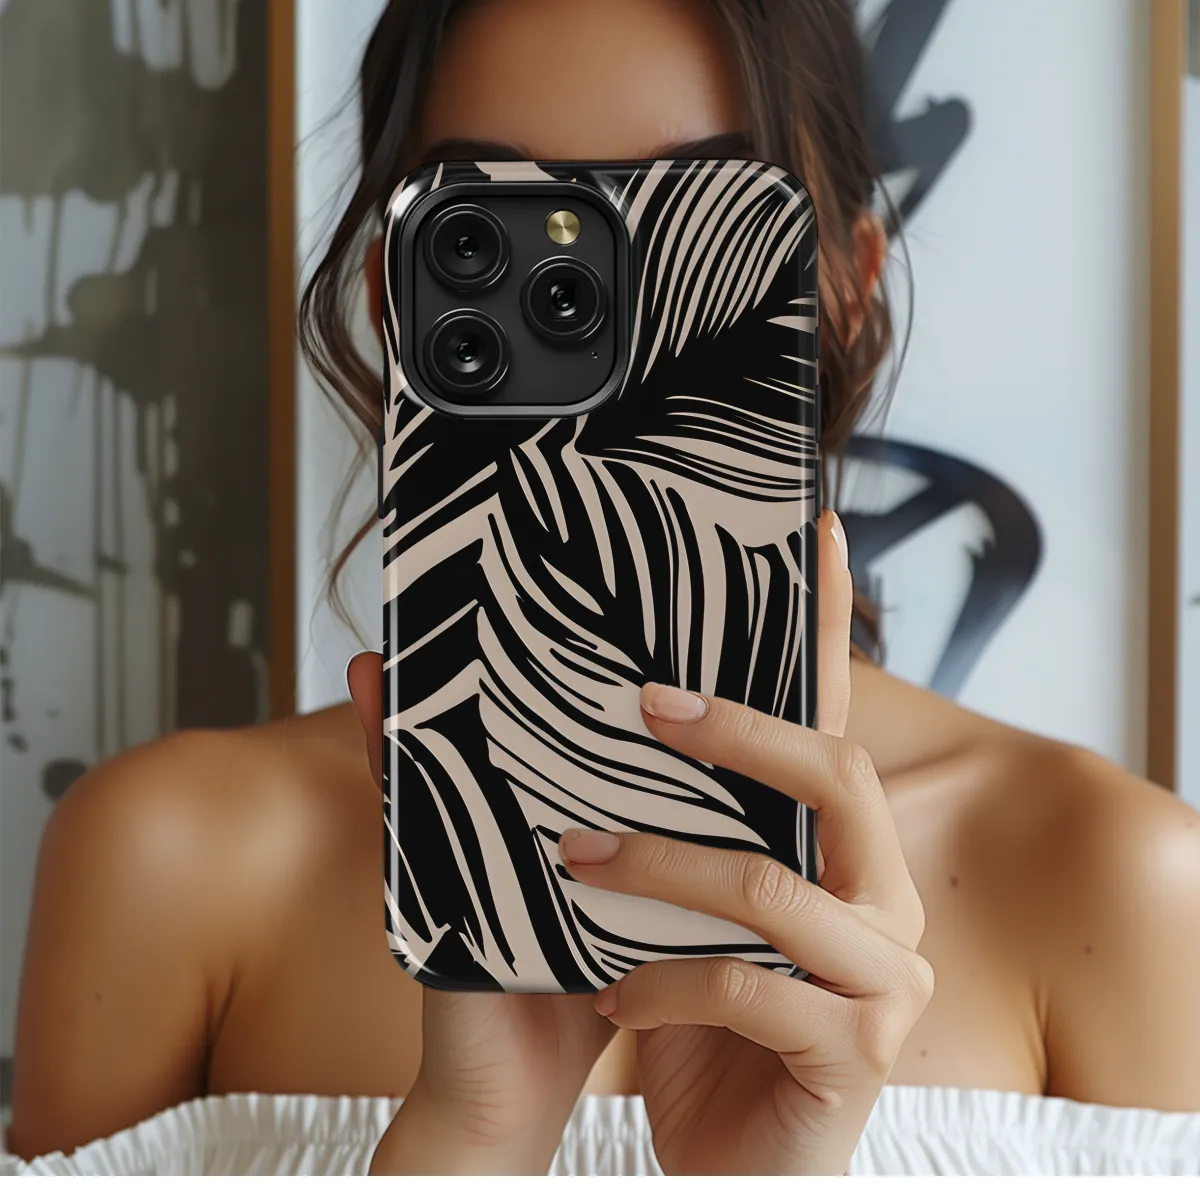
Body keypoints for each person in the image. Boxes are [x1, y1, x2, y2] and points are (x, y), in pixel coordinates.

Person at [7, 0, 1200, 1177]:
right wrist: (474, 1141)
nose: (606, 320)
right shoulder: (170, 862)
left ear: (846, 284)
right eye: (494, 227)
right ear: (395, 296)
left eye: (694, 220)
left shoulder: (1116, 883)